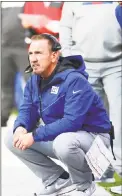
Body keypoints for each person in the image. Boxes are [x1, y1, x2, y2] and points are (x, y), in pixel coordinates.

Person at [5, 33, 112, 196]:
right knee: (12, 138)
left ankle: (84, 186)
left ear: (54, 55)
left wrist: (34, 135)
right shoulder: (35, 80)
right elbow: (27, 110)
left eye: (39, 53)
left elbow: (72, 122)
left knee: (63, 142)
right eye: (31, 53)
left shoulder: (74, 80)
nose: (33, 59)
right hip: (66, 139)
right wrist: (20, 128)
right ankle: (57, 179)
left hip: (96, 143)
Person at [60, 1, 122, 186]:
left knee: (120, 117)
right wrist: (70, 59)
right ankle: (100, 168)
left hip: (117, 65)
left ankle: (120, 165)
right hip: (84, 66)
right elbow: (65, 28)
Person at [1, 2, 29, 126]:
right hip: (4, 47)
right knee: (5, 85)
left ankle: (36, 116)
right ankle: (3, 117)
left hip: (24, 47)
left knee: (33, 84)